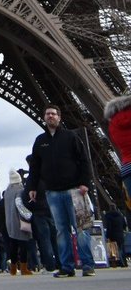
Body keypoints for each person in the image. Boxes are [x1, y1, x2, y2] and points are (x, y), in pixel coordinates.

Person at [27, 103, 96, 278]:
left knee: (81, 228)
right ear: (44, 117)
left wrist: (84, 183)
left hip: (75, 190)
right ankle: (67, 267)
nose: (50, 116)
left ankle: (87, 265)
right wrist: (32, 187)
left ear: (59, 117)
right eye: (48, 114)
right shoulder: (40, 141)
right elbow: (35, 166)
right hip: (53, 192)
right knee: (61, 231)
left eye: (53, 114)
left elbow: (84, 160)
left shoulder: (70, 137)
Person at [2, 170, 33, 275]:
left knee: (13, 245)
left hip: (9, 222)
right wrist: (29, 216)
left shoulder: (7, 192)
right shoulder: (20, 190)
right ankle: (24, 268)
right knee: (23, 245)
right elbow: (20, 205)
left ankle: (13, 269)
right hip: (19, 221)